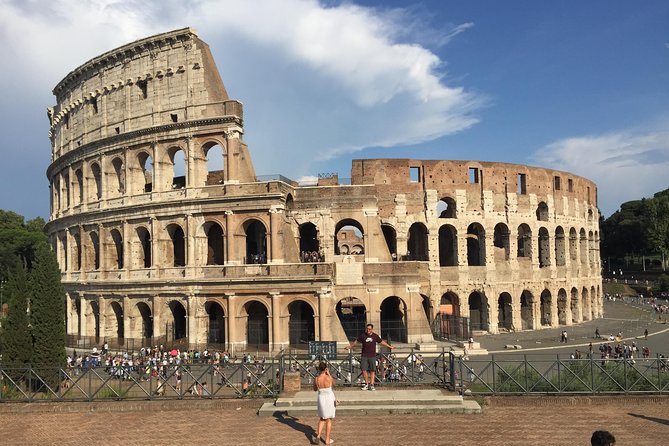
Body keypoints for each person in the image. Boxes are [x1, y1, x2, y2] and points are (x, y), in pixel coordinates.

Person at [348, 324, 394, 391]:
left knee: (373, 370)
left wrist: (389, 346)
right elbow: (356, 342)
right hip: (364, 355)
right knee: (364, 370)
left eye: (369, 329)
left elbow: (382, 342)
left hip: (372, 356)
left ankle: (372, 384)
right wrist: (350, 346)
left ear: (372, 329)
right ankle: (366, 384)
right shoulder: (363, 335)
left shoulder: (375, 336)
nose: (368, 330)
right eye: (367, 329)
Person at [313, 362, 336, 445]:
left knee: (322, 418)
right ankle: (327, 439)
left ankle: (318, 435)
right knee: (329, 419)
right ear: (326, 369)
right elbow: (334, 384)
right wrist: (329, 374)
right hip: (329, 398)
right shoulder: (328, 378)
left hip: (321, 398)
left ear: (319, 369)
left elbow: (315, 389)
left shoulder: (316, 379)